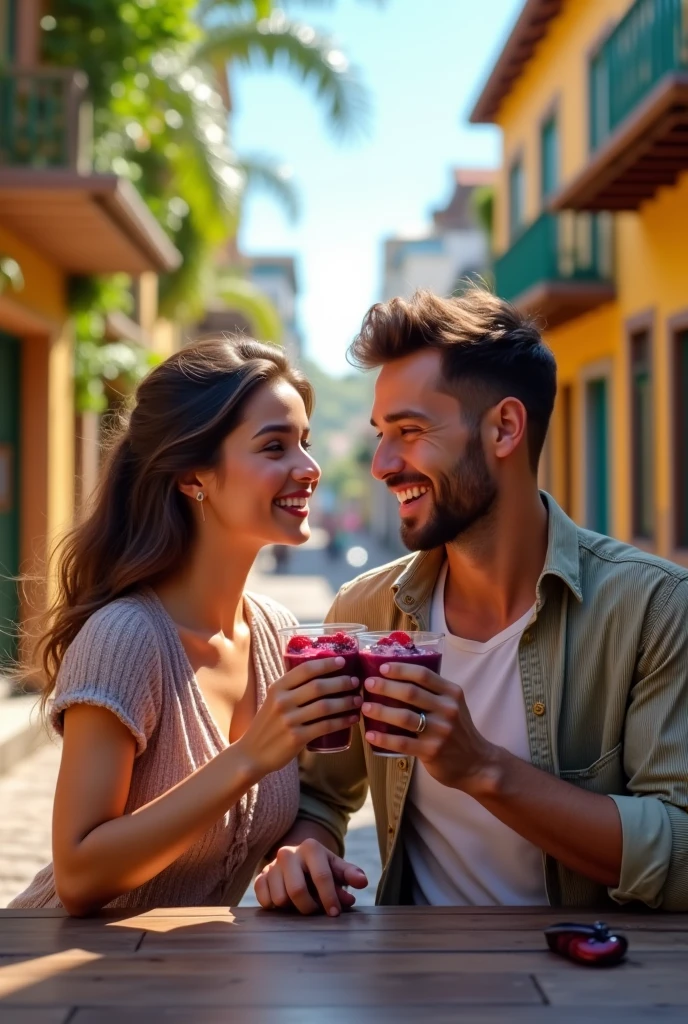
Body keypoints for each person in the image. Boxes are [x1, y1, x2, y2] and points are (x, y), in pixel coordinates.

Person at [255, 288, 688, 915]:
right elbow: (319, 797)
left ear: (505, 429)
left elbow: (680, 854)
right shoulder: (369, 611)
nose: (381, 464)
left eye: (409, 431)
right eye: (381, 434)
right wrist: (303, 847)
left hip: (595, 988)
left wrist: (483, 767)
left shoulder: (654, 610)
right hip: (417, 988)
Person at [10, 338, 362, 915]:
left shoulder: (277, 634)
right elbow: (78, 875)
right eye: (274, 446)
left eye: (305, 442)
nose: (308, 468)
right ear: (193, 474)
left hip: (184, 986)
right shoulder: (125, 638)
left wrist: (303, 849)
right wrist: (249, 756)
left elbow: (284, 815)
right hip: (60, 983)